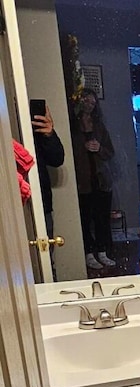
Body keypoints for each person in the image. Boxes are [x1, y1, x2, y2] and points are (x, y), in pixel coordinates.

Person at [71, 92, 116, 271]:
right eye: (86, 101)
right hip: (82, 181)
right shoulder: (73, 126)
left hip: (101, 179)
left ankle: (102, 252)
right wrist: (82, 147)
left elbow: (110, 152)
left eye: (93, 102)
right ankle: (88, 253)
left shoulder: (99, 126)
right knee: (84, 218)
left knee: (102, 218)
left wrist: (99, 148)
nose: (89, 104)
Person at [31, 103, 65, 279]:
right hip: (12, 206)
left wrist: (49, 134)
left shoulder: (32, 129)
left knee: (45, 259)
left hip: (41, 202)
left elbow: (57, 158)